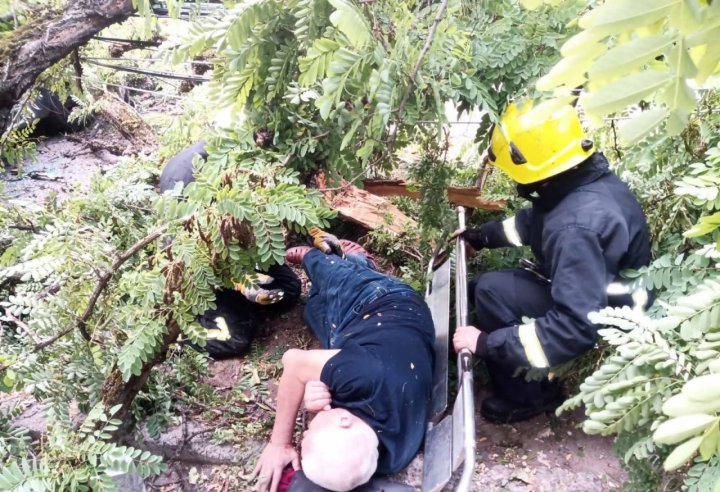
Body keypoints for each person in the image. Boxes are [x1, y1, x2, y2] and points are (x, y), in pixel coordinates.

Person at [452, 102, 652, 424]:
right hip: (605, 287)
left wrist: (486, 343)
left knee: (490, 291)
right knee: (482, 287)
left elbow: (574, 327)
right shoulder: (578, 181)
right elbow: (535, 223)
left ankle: (531, 397)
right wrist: (481, 237)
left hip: (610, 313)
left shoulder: (575, 228)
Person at [252, 228, 434, 492]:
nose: (307, 430)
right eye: (310, 432)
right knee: (325, 271)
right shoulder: (366, 375)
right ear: (344, 421)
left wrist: (318, 404)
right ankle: (336, 260)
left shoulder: (383, 457)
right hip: (383, 300)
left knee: (313, 309)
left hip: (362, 336)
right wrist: (279, 444)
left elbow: (352, 406)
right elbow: (294, 361)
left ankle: (357, 264)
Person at [160, 142, 301, 358]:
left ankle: (246, 305)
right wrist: (239, 282)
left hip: (237, 252)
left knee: (289, 290)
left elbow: (281, 207)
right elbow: (185, 259)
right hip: (205, 273)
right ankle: (180, 336)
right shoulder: (180, 194)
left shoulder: (243, 159)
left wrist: (313, 232)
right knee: (235, 339)